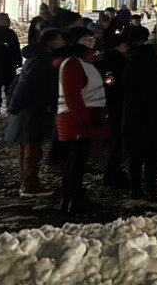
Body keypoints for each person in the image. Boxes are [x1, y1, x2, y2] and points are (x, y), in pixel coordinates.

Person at [4, 29, 66, 197]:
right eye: (60, 40)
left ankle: (28, 181)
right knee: (32, 145)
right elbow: (26, 85)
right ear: (51, 42)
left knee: (27, 143)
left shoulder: (37, 58)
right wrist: (15, 105)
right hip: (33, 109)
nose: (63, 43)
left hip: (30, 108)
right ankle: (31, 184)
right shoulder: (42, 60)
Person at [56, 27, 110, 213]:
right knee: (75, 161)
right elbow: (73, 95)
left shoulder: (83, 61)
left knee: (77, 160)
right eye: (87, 38)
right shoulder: (73, 63)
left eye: (92, 38)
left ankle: (72, 197)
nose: (91, 41)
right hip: (77, 120)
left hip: (82, 118)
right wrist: (84, 120)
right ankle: (73, 199)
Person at [121, 44, 157, 199]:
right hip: (155, 119)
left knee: (135, 157)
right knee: (153, 156)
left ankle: (135, 188)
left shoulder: (129, 72)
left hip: (134, 119)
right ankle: (151, 186)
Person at [100, 34, 131, 189]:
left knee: (116, 139)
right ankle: (112, 173)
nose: (127, 48)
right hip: (116, 103)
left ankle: (113, 172)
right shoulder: (115, 60)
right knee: (116, 139)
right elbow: (109, 81)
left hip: (113, 102)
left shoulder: (110, 59)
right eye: (125, 45)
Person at [0, 13, 23, 116]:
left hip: (8, 65)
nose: (8, 21)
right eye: (5, 19)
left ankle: (8, 106)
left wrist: (18, 60)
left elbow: (16, 48)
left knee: (9, 86)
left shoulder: (10, 33)